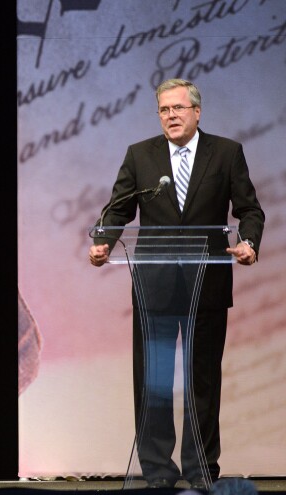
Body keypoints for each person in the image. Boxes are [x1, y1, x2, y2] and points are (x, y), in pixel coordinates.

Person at [88, 79, 264, 489]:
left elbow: (249, 208)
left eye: (178, 108)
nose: (171, 116)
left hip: (207, 282)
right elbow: (117, 209)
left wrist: (248, 243)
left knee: (202, 379)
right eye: (164, 110)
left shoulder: (226, 153)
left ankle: (200, 470)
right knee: (154, 379)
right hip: (155, 283)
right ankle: (157, 472)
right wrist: (102, 242)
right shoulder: (140, 155)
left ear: (197, 112)